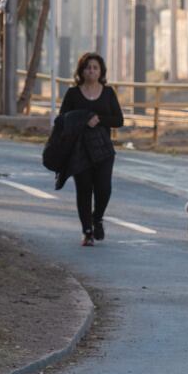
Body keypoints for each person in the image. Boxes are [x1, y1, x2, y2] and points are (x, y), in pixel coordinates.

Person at [58, 52, 124, 246]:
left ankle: (98, 218)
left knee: (104, 189)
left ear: (101, 71)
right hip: (80, 150)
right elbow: (63, 118)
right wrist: (83, 118)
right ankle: (87, 231)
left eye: (95, 68)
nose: (92, 71)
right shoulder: (73, 93)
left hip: (103, 150)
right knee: (84, 190)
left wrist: (99, 119)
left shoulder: (108, 93)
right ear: (82, 71)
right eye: (88, 68)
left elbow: (119, 120)